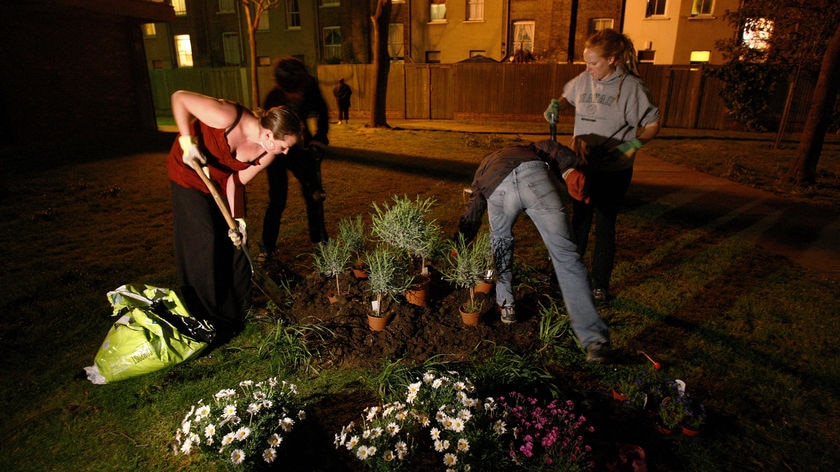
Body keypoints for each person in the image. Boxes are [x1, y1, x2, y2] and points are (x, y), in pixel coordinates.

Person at [455, 139, 611, 363]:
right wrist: (569, 171)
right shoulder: (534, 148)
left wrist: (461, 242)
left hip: (497, 187)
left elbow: (474, 207)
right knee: (566, 256)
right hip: (536, 179)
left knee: (500, 242)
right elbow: (560, 153)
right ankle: (594, 340)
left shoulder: (485, 166)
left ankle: (507, 308)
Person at [168, 90, 302, 342]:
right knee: (205, 240)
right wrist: (187, 142)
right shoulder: (227, 117)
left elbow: (236, 181)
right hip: (188, 173)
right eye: (285, 146)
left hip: (219, 184)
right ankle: (208, 314)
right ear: (269, 134)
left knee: (236, 245)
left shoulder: (268, 152)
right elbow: (179, 98)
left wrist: (238, 220)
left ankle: (239, 307)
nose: (285, 153)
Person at [544, 29, 661, 303]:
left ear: (612, 59)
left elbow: (654, 124)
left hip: (613, 170)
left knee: (605, 226)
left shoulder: (633, 88)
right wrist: (556, 105)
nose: (588, 68)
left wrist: (633, 145)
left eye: (593, 63)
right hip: (582, 166)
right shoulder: (584, 80)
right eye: (586, 62)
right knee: (579, 224)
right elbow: (565, 95)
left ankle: (600, 284)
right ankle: (566, 277)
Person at [261, 57, 331, 259]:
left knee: (314, 194)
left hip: (302, 150)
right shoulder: (273, 98)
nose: (296, 95)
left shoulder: (310, 90)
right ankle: (267, 246)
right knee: (277, 198)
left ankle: (319, 240)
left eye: (298, 90)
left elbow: (323, 114)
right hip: (277, 153)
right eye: (292, 92)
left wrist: (319, 139)